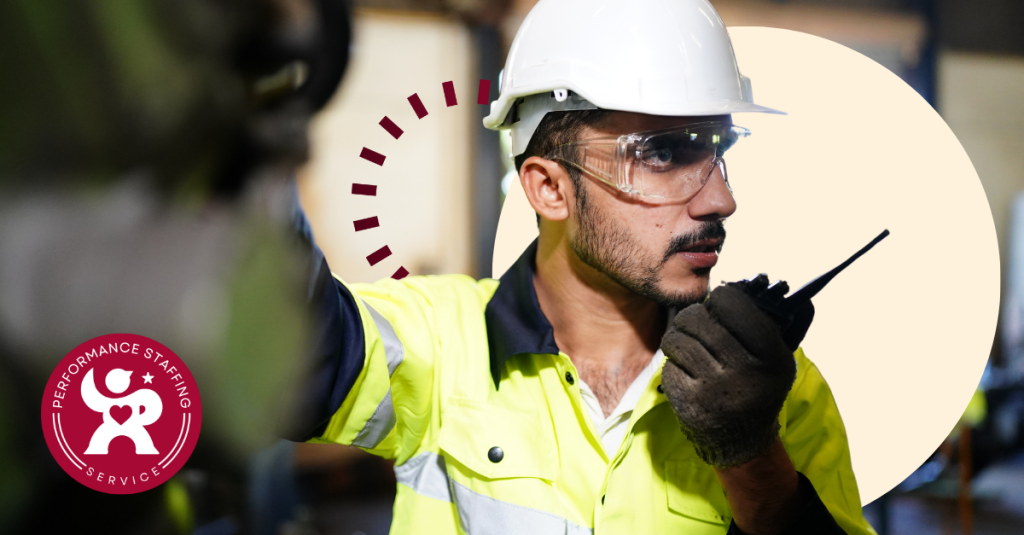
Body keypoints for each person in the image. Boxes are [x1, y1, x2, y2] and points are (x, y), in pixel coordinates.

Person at [291, 0, 877, 533]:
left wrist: (750, 451)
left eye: (717, 150)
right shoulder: (443, 344)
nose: (720, 200)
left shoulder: (777, 388)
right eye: (664, 152)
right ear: (549, 189)